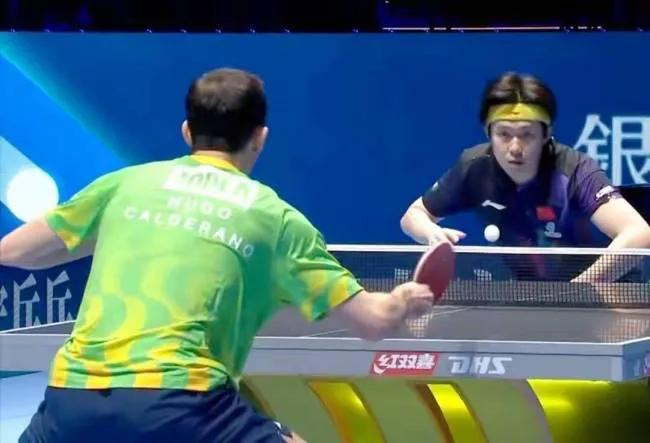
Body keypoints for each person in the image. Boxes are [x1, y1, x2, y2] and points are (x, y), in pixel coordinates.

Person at [0, 68, 434, 443]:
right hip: (182, 403)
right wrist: (404, 299)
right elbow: (372, 322)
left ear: (186, 132)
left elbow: (14, 251)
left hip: (72, 400)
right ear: (260, 138)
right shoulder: (275, 218)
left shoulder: (124, 185)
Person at [400, 72, 650, 281]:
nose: (515, 147)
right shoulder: (474, 167)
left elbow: (640, 233)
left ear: (546, 134)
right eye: (504, 134)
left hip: (605, 292)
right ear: (488, 133)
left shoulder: (573, 170)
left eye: (527, 134)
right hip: (530, 295)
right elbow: (413, 216)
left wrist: (578, 291)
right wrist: (430, 233)